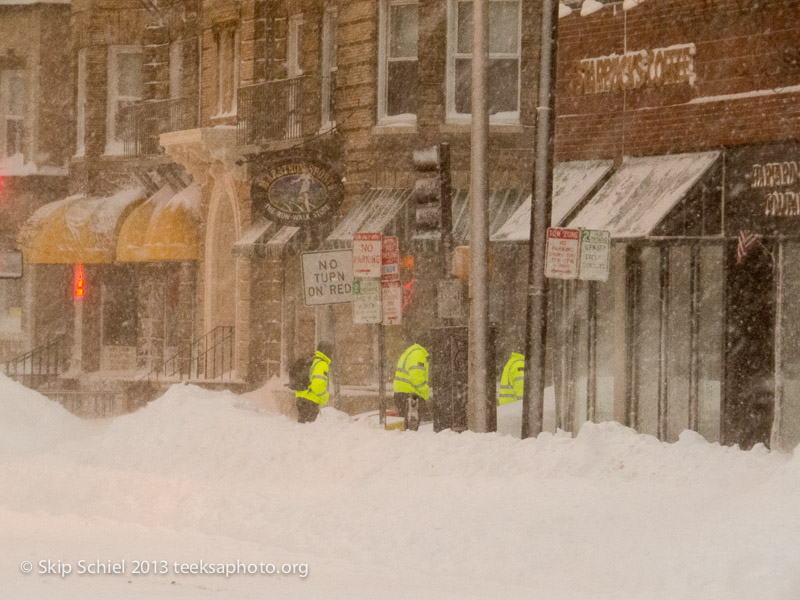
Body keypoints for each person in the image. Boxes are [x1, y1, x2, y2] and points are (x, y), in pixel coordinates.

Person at [393, 343, 430, 431]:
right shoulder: (419, 354)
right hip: (411, 396)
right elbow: (416, 378)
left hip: (402, 393)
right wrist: (427, 393)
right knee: (418, 429)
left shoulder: (411, 351)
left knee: (409, 429)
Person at [295, 341, 333, 423]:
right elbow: (318, 385)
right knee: (309, 431)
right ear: (327, 351)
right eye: (330, 351)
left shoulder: (313, 360)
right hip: (310, 402)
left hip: (301, 399)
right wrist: (324, 397)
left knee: (302, 428)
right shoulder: (322, 364)